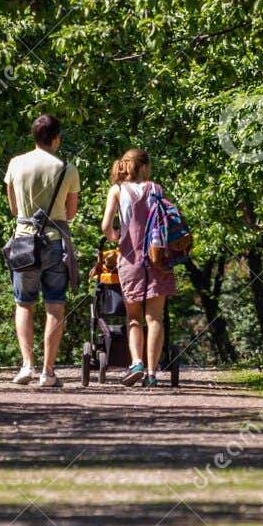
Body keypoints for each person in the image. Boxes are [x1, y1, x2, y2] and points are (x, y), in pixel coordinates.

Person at [3, 113, 79, 387]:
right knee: (55, 305)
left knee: (24, 304)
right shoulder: (67, 168)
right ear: (56, 139)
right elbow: (69, 214)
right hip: (54, 241)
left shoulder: (16, 164)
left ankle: (26, 366)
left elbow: (13, 209)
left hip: (23, 240)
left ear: (34, 137)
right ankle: (48, 371)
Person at [100, 147, 176, 386]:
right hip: (157, 260)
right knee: (155, 319)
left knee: (133, 318)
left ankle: (137, 363)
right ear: (144, 167)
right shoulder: (156, 189)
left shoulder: (117, 190)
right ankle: (152, 374)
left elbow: (105, 227)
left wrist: (115, 236)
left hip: (130, 261)